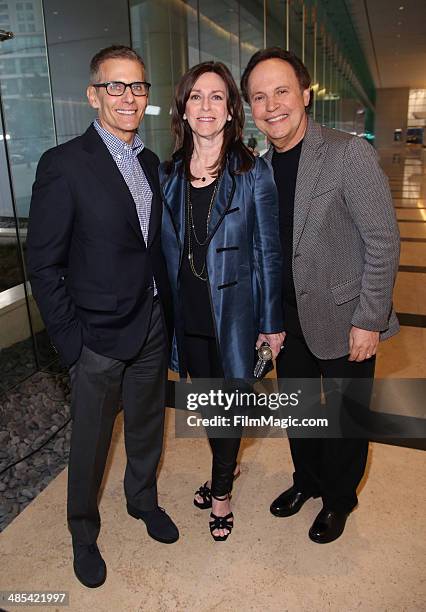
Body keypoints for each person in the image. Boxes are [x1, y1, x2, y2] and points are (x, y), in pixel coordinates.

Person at [27, 45, 178, 588]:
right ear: (94, 95)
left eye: (138, 87)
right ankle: (83, 532)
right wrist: (73, 345)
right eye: (116, 86)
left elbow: (148, 248)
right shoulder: (63, 165)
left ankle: (142, 500)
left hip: (151, 324)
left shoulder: (148, 162)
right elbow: (43, 266)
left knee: (146, 427)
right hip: (95, 336)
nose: (129, 97)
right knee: (90, 443)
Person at [241, 47, 400, 543]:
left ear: (305, 94)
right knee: (300, 411)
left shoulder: (346, 151)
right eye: (259, 97)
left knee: (346, 420)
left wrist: (370, 318)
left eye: (281, 91)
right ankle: (306, 481)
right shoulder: (258, 169)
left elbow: (383, 239)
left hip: (346, 315)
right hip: (288, 321)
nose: (272, 106)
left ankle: (338, 499)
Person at [159, 61, 284, 541]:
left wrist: (271, 324)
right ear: (184, 109)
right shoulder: (168, 173)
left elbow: (269, 255)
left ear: (232, 110)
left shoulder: (253, 172)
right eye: (196, 96)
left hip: (235, 318)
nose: (205, 106)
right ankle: (219, 474)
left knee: (229, 409)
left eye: (216, 97)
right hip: (188, 315)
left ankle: (222, 494)